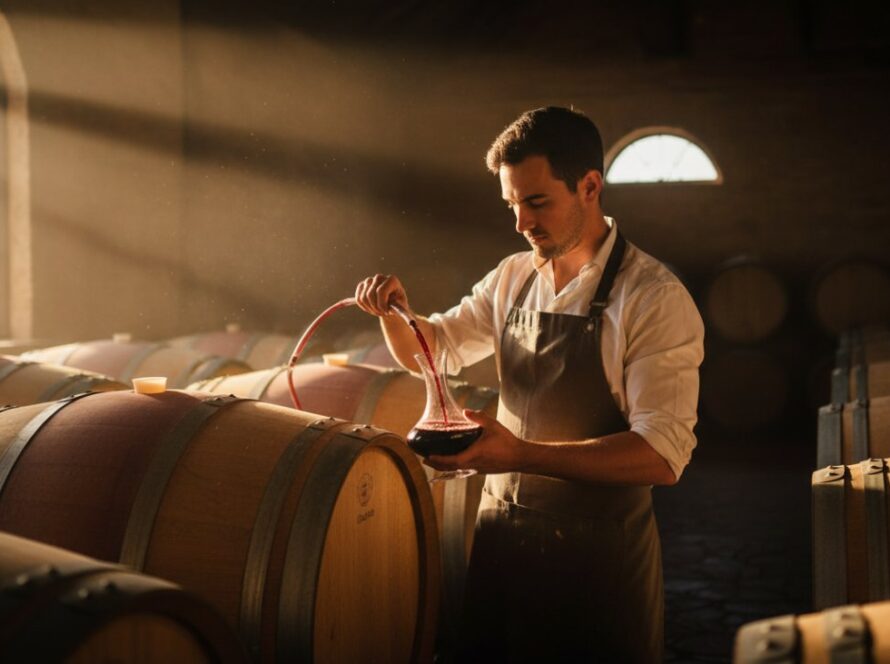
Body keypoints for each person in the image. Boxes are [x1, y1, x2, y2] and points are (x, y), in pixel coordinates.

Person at [354, 106, 704, 663]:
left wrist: (519, 453)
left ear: (590, 186)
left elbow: (661, 456)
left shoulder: (653, 298)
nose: (521, 222)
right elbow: (434, 353)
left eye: (537, 202)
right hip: (502, 547)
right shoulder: (513, 276)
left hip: (597, 566)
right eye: (512, 204)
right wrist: (394, 312)